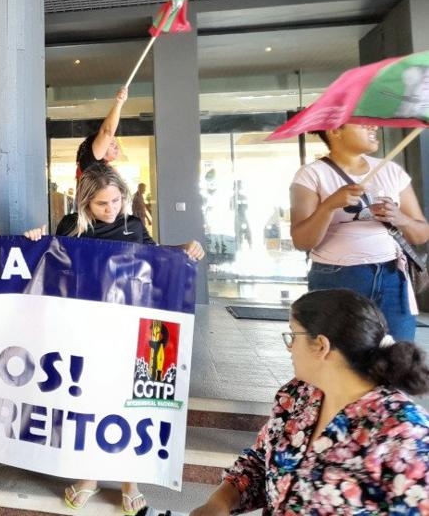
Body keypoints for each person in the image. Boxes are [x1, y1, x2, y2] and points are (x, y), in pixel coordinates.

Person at [24, 163, 204, 515]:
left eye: (117, 201)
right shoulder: (71, 228)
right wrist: (33, 242)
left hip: (133, 327)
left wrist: (185, 248)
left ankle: (129, 481)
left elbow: (158, 256)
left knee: (129, 399)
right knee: (91, 398)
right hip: (87, 326)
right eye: (102, 204)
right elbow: (50, 264)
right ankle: (90, 476)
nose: (111, 209)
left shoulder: (133, 225)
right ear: (86, 203)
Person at [190, 288, 429, 515]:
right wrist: (219, 503)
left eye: (294, 336)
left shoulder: (404, 432)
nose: (290, 347)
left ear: (322, 345)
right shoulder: (298, 396)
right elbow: (261, 461)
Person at [290, 123, 429, 341]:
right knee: (341, 359)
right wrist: (329, 206)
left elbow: (421, 235)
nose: (373, 126)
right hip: (337, 277)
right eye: (362, 122)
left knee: (397, 357)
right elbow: (302, 241)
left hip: (393, 276)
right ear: (335, 131)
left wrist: (399, 218)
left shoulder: (391, 171)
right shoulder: (311, 174)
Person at [75, 86, 128, 179]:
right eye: (112, 144)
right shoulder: (90, 163)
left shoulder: (94, 165)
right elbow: (107, 132)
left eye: (111, 143)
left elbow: (107, 133)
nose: (117, 147)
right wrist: (119, 103)